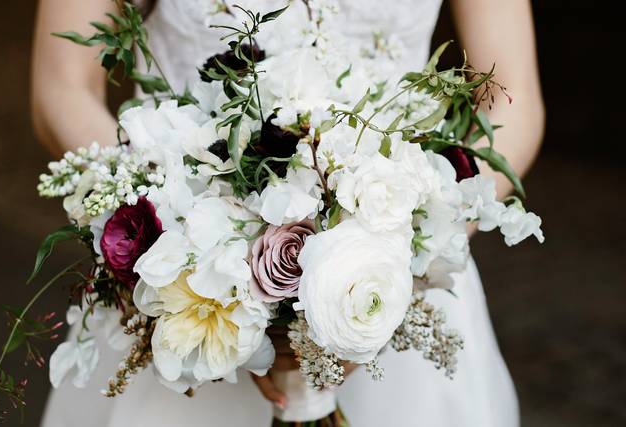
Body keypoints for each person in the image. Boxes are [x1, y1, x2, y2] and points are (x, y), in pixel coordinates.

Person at [33, 1, 544, 426]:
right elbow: (62, 85)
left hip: (401, 293)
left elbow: (512, 99)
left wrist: (404, 254)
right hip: (186, 298)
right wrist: (178, 240)